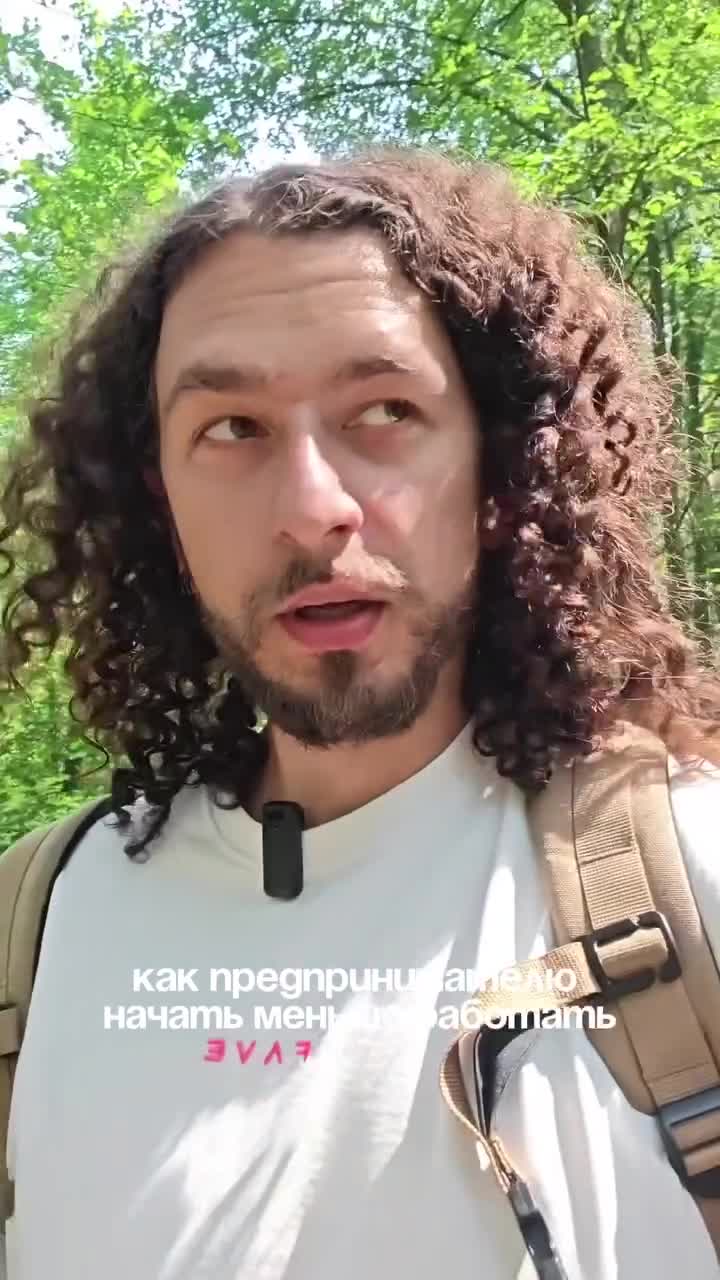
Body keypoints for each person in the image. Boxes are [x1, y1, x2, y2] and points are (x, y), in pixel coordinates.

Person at [1, 145, 719, 1280]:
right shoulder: (32, 939)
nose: (311, 507)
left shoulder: (692, 881)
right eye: (231, 428)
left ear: (501, 469)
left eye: (385, 410)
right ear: (161, 502)